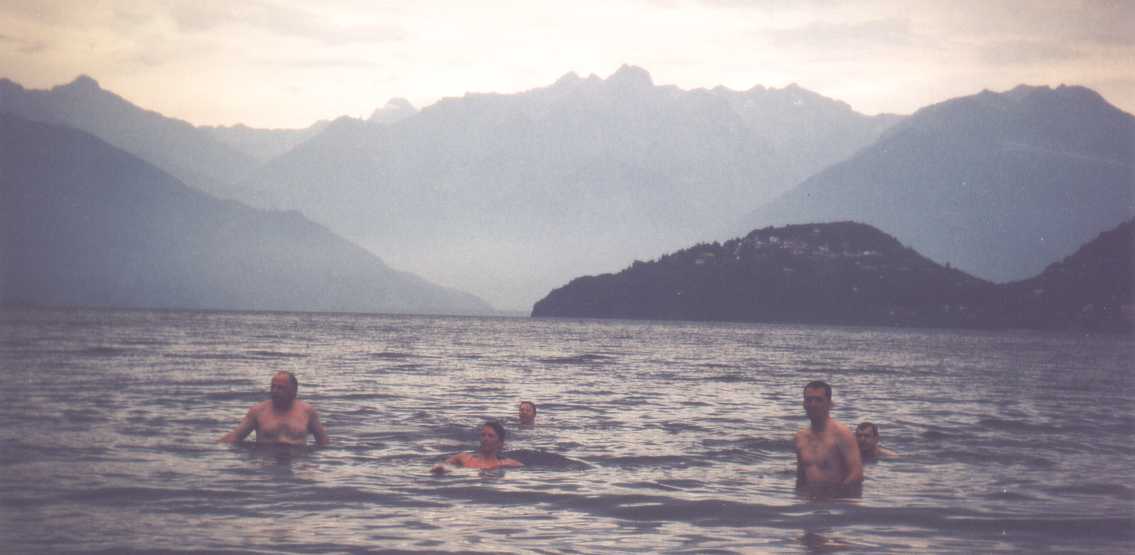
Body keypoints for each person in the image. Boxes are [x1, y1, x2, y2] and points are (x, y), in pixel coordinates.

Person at [218, 371, 329, 446]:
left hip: (296, 469)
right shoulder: (258, 411)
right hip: (267, 468)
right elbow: (235, 437)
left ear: (294, 391)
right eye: (273, 387)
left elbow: (323, 442)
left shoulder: (307, 412)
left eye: (281, 388)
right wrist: (209, 449)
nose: (275, 391)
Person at [794, 381, 863, 495]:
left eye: (818, 400)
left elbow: (856, 474)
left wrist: (837, 497)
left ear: (830, 404)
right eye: (809, 400)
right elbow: (801, 475)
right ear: (804, 404)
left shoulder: (842, 434)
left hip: (835, 503)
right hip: (809, 502)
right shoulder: (800, 438)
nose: (813, 404)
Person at [431, 421, 522, 474]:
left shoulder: (509, 464)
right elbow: (439, 467)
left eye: (490, 436)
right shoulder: (463, 458)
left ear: (500, 443)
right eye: (483, 435)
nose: (485, 439)